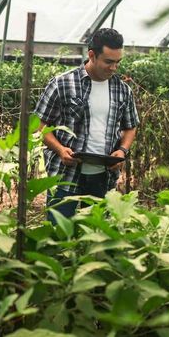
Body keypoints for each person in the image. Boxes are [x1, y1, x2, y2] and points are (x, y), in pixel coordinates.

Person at [34, 28, 139, 222]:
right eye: (108, 61)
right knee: (59, 236)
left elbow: (130, 126)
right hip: (65, 175)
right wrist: (60, 150)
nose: (114, 68)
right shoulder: (62, 84)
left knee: (98, 238)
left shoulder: (123, 90)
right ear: (92, 55)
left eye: (118, 62)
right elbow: (40, 126)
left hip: (103, 178)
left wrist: (122, 151)